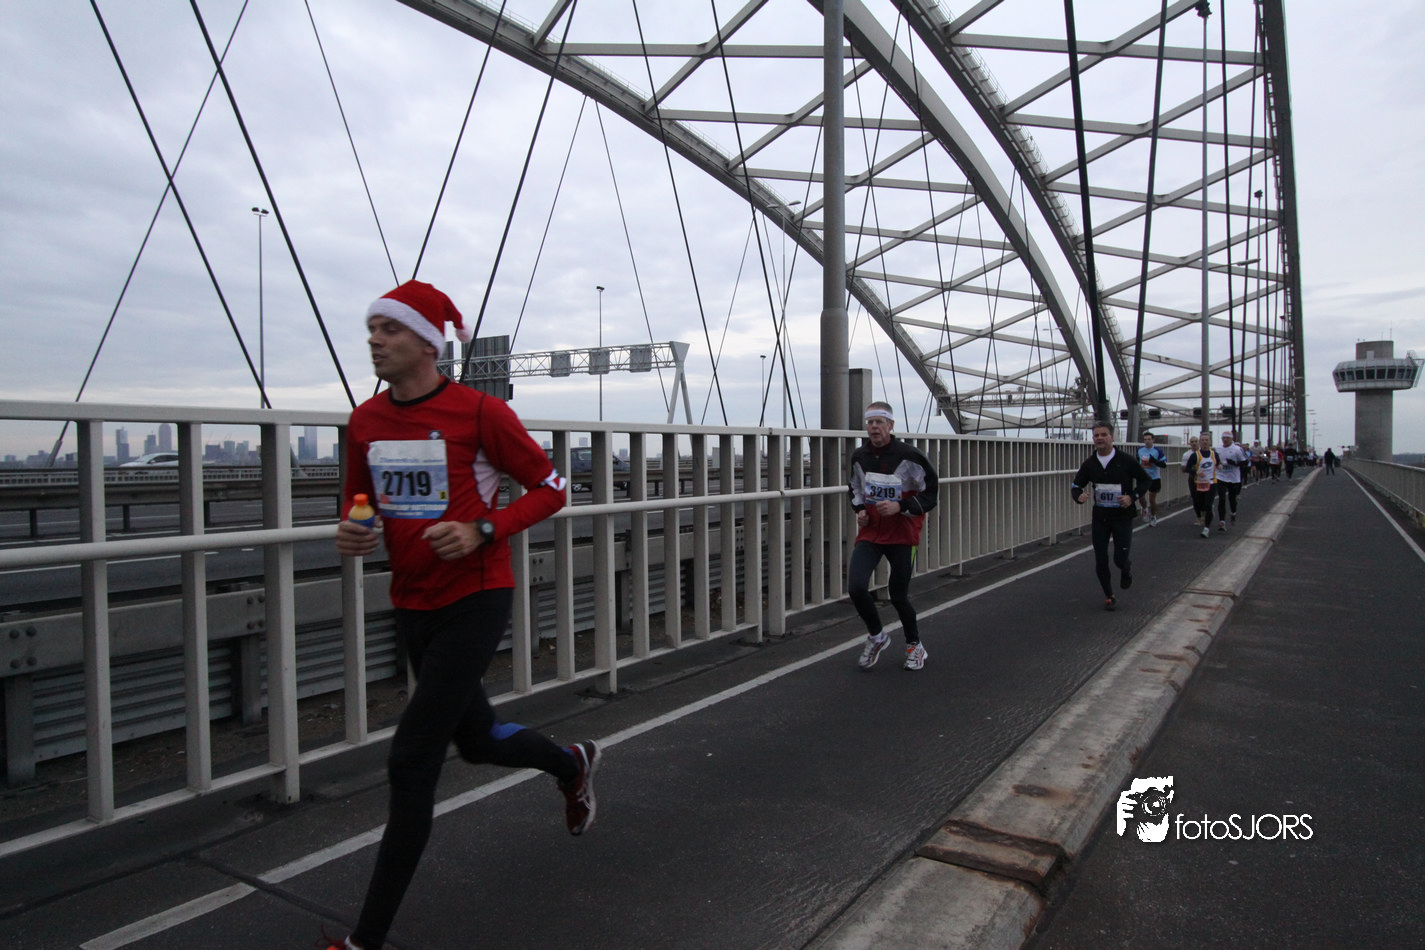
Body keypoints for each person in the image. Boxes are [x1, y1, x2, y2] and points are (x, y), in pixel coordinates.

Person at [329, 281, 600, 950]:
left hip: (475, 597)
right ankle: (570, 764)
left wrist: (484, 529)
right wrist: (355, 527)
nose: (374, 340)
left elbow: (551, 488)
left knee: (412, 758)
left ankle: (364, 940)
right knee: (476, 741)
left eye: (389, 329)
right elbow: (360, 499)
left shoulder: (480, 413)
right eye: (371, 328)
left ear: (428, 343)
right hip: (410, 600)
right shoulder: (365, 421)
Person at [847, 401, 939, 670]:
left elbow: (931, 493)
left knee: (898, 596)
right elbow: (855, 488)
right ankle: (877, 637)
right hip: (872, 532)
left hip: (902, 533)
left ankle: (915, 646)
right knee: (856, 587)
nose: (874, 427)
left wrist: (902, 506)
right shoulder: (860, 456)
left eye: (879, 422)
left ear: (891, 425)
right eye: (870, 422)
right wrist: (860, 510)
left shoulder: (910, 456)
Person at [1071, 421, 1151, 611]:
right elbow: (1076, 485)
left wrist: (1132, 497)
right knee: (1100, 558)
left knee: (1119, 559)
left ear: (1112, 437)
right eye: (1096, 435)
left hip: (1122, 516)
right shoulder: (1090, 464)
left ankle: (1126, 569)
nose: (1099, 438)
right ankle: (1109, 595)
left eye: (1103, 435)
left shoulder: (1126, 460)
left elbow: (1145, 480)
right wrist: (1078, 496)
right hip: (1100, 517)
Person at [1182, 431, 1221, 539]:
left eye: (1206, 440)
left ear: (1210, 442)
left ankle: (1206, 529)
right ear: (1200, 442)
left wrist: (1220, 466)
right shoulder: (1195, 455)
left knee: (1208, 505)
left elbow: (1218, 463)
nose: (1204, 442)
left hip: (1211, 483)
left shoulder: (1214, 454)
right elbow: (1187, 468)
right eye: (1202, 440)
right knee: (1199, 504)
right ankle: (1203, 513)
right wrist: (1196, 472)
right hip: (1198, 483)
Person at [1214, 430, 1250, 531]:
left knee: (1232, 499)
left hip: (1233, 478)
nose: (1225, 440)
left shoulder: (1237, 449)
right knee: (1221, 499)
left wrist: (1234, 463)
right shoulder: (1217, 449)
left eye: (1227, 438)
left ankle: (1233, 512)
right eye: (1223, 438)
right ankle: (1222, 522)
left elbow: (1246, 462)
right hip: (1220, 476)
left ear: (1232, 439)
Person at [1136, 431, 1167, 526]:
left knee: (1152, 499)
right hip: (1143, 477)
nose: (1147, 441)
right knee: (1140, 496)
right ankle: (1145, 509)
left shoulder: (1158, 451)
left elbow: (1164, 465)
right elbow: (1137, 461)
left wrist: (1154, 461)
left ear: (1153, 440)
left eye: (1149, 439)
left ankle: (1153, 516)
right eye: (1145, 439)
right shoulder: (1140, 450)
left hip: (1154, 477)